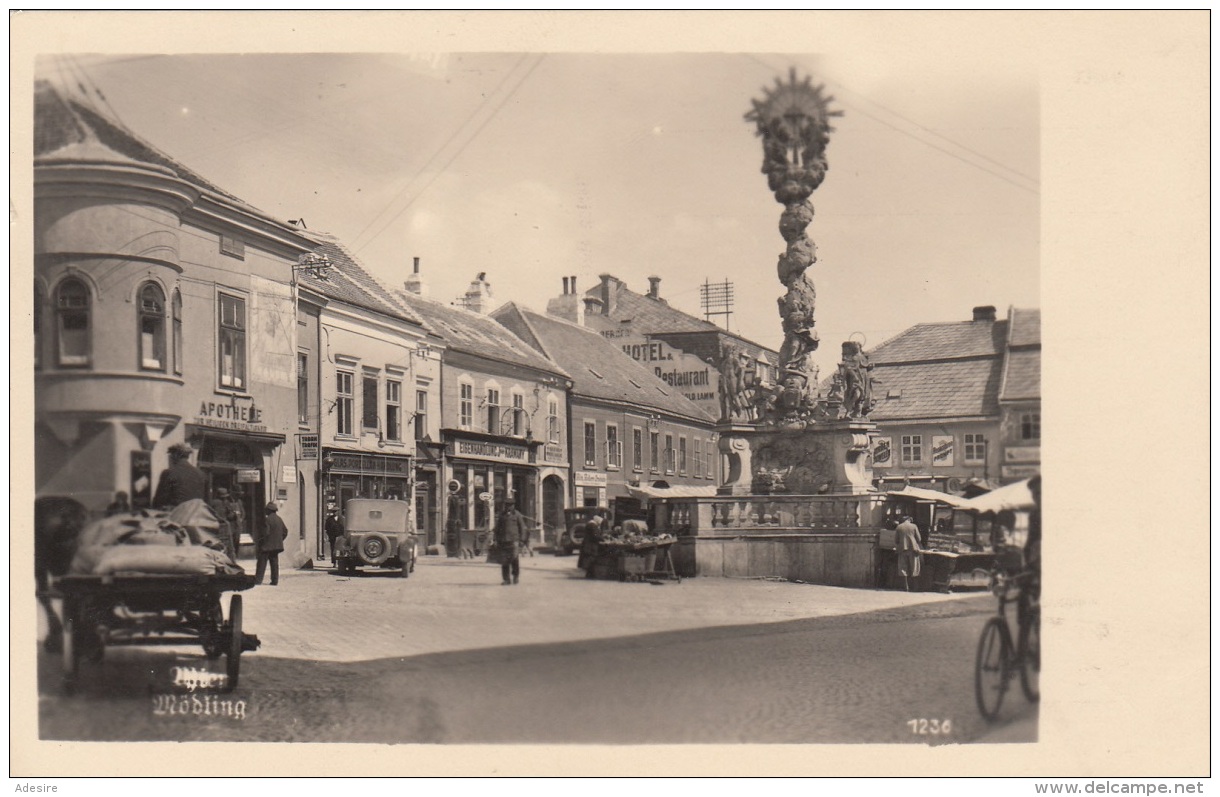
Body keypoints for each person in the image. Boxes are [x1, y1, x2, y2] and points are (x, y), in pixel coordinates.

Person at [151, 443, 207, 509]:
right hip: (195, 515)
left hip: (175, 515)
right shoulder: (201, 474)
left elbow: (159, 501)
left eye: (170, 456)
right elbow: (205, 501)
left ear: (175, 455)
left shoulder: (169, 473)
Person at [493, 495, 530, 585]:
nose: (508, 507)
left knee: (514, 559)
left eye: (510, 505)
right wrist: (495, 539)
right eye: (507, 505)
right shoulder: (502, 515)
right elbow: (497, 528)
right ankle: (506, 579)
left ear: (513, 505)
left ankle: (515, 576)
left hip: (514, 541)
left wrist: (522, 540)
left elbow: (522, 528)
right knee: (504, 561)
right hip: (503, 540)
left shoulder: (517, 515)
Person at [255, 501, 288, 586]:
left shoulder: (267, 520)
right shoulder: (279, 519)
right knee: (274, 563)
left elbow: (265, 533)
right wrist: (279, 540)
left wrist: (260, 542)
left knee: (262, 563)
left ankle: (258, 580)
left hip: (266, 545)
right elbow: (285, 531)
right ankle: (275, 581)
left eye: (266, 510)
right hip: (276, 546)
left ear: (269, 510)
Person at [895, 515, 923, 592]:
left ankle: (906, 587)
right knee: (914, 567)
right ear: (909, 520)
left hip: (902, 549)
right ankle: (915, 587)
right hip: (913, 549)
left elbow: (896, 540)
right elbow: (919, 539)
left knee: (903, 568)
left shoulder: (899, 527)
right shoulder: (914, 526)